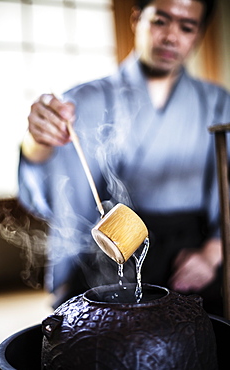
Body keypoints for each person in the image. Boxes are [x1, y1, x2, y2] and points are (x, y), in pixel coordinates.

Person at [18, 0, 230, 314]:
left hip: (192, 248)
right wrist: (38, 141)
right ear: (136, 19)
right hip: (108, 249)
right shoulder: (83, 100)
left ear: (198, 34)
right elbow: (55, 193)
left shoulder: (218, 103)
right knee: (87, 333)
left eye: (186, 27)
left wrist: (213, 253)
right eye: (160, 21)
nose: (171, 36)